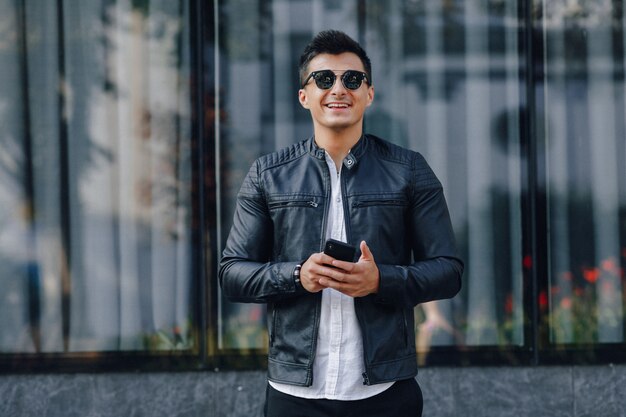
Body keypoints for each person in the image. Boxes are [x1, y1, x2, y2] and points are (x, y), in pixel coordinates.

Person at [219, 29, 463, 417]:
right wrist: (297, 275)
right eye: (323, 79)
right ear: (304, 96)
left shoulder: (409, 170)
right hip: (294, 395)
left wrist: (380, 281)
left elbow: (448, 271)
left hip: (385, 391)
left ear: (369, 94)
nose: (338, 89)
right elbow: (232, 273)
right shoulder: (268, 174)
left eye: (352, 79)